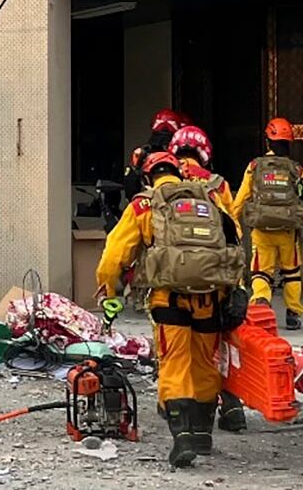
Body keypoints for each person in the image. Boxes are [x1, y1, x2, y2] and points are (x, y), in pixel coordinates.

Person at [97, 150, 248, 469]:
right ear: (179, 174)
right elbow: (233, 239)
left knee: (175, 363)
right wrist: (237, 290)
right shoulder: (208, 197)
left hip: (170, 298)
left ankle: (181, 437)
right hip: (211, 296)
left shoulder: (144, 204)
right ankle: (203, 434)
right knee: (205, 362)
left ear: (148, 176)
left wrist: (108, 288)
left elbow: (114, 255)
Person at [166, 123, 251, 432]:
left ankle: (177, 409)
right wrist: (236, 282)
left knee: (175, 349)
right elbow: (234, 232)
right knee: (220, 345)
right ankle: (230, 406)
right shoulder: (218, 185)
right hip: (215, 280)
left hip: (172, 282)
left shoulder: (166, 182)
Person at [235, 117, 303, 331]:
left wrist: (233, 225)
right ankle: (293, 314)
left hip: (261, 229)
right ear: (289, 143)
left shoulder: (254, 167)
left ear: (268, 142)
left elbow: (240, 199)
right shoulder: (297, 170)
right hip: (288, 230)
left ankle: (261, 306)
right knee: (292, 271)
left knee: (261, 271)